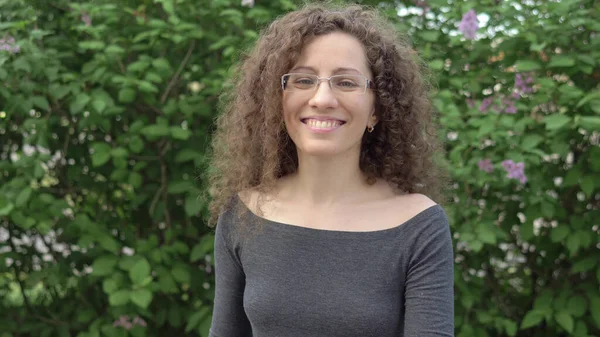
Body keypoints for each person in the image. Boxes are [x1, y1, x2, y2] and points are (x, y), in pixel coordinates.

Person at [206, 3, 454, 337]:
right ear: (277, 102)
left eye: (347, 83)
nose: (322, 98)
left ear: (376, 110)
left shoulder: (419, 225)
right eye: (303, 80)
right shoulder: (244, 214)